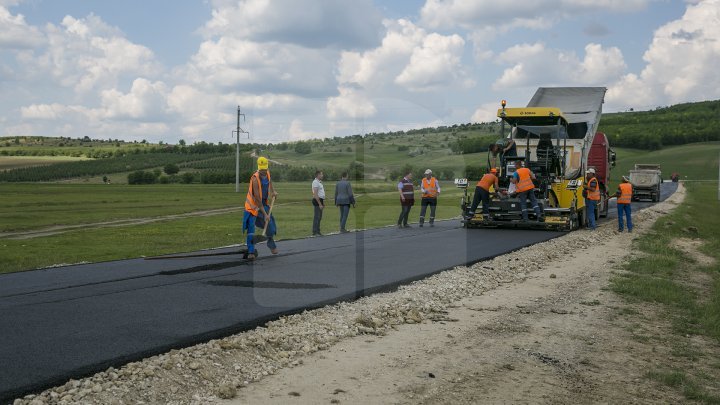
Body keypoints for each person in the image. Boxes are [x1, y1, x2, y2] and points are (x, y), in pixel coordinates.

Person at [243, 157, 278, 260]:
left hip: (263, 203)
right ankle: (251, 252)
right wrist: (264, 214)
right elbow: (257, 198)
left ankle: (271, 244)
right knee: (251, 230)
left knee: (270, 226)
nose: (263, 171)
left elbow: (270, 182)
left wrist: (273, 191)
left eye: (265, 169)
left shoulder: (267, 173)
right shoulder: (254, 179)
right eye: (262, 169)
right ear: (258, 167)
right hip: (252, 207)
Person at [312, 170, 325, 236]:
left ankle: (318, 230)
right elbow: (315, 194)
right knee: (317, 217)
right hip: (317, 200)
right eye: (321, 174)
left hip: (321, 200)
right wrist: (320, 204)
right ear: (318, 175)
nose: (322, 175)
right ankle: (315, 231)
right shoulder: (315, 182)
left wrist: (322, 203)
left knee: (319, 217)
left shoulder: (319, 182)